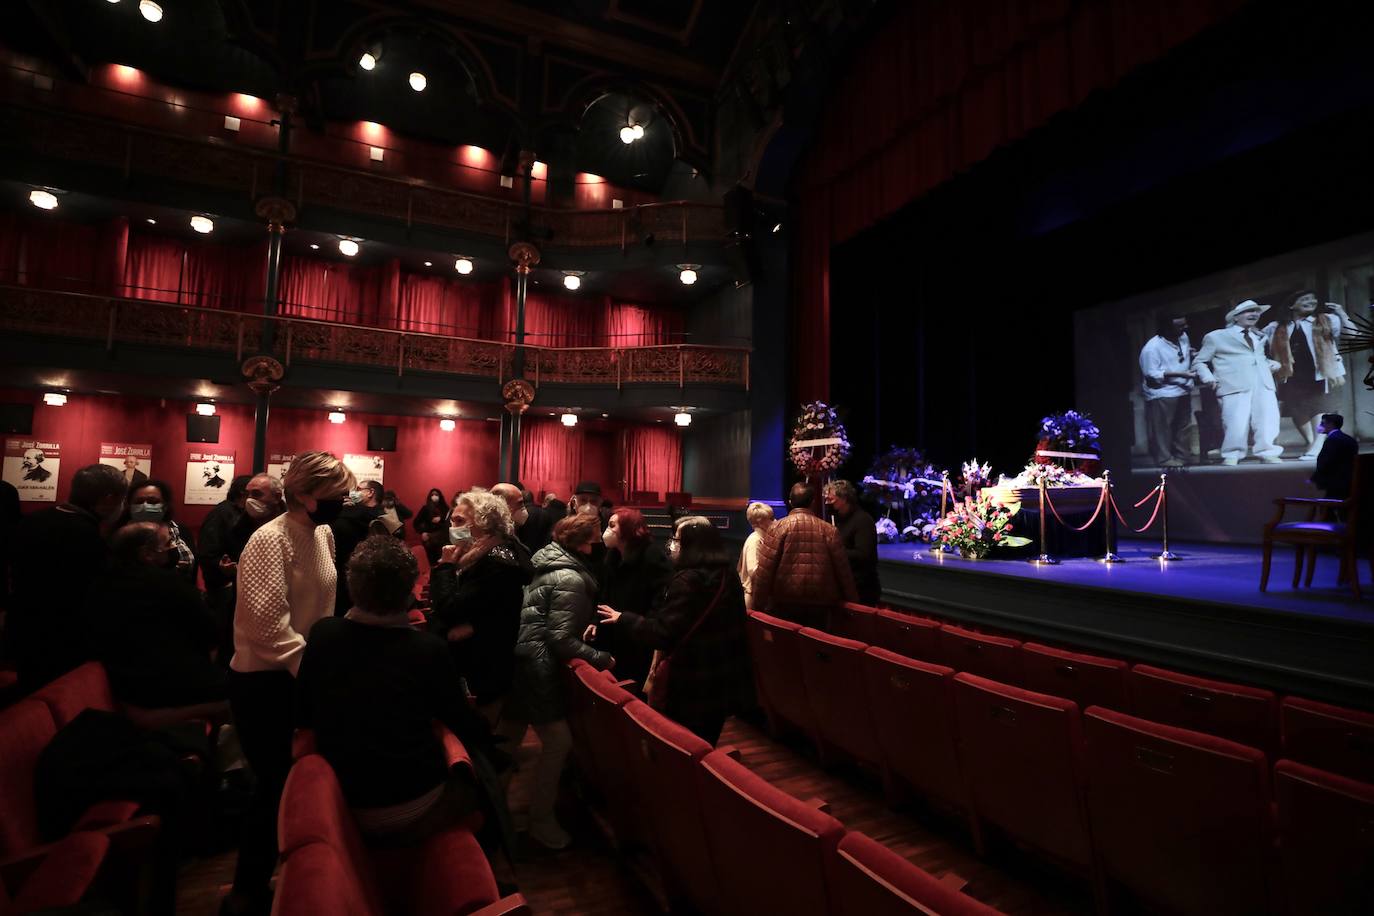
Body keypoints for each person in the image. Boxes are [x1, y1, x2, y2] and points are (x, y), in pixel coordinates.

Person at [296, 535, 505, 848]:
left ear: (351, 585)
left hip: (339, 799)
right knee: (486, 782)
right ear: (411, 593)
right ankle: (497, 872)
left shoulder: (323, 634)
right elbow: (460, 719)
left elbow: (303, 708)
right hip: (412, 803)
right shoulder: (426, 649)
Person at [222, 451, 354, 916]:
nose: (344, 501)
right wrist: (315, 675)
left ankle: (297, 873)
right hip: (263, 681)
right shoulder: (268, 540)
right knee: (273, 784)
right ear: (301, 494)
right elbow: (266, 627)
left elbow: (325, 609)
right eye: (335, 494)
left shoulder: (323, 532)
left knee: (299, 782)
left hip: (301, 675)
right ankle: (247, 891)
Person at [501, 512, 614, 850]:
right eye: (594, 537)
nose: (597, 544)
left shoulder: (546, 562)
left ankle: (493, 814)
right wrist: (601, 658)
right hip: (538, 666)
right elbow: (560, 638)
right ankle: (541, 821)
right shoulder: (571, 578)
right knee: (558, 742)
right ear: (581, 542)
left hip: (522, 659)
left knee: (506, 741)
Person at [598, 517, 752, 745]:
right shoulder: (727, 575)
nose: (672, 544)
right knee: (706, 743)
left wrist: (624, 618)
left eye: (677, 539)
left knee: (682, 743)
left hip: (690, 678)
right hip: (722, 676)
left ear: (693, 544)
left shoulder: (688, 580)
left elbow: (663, 632)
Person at [7, 463, 126, 688]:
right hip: (62, 640)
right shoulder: (87, 537)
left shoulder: (32, 521)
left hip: (23, 629)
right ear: (109, 498)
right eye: (122, 499)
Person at [87, 522, 224, 708]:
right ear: (147, 554)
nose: (174, 548)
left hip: (119, 681)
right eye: (168, 544)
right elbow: (210, 634)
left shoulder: (98, 583)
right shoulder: (168, 584)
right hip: (164, 686)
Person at [428, 489, 532, 724]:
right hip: (477, 660)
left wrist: (444, 568)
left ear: (484, 526)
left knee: (475, 735)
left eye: (460, 521)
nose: (452, 526)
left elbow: (450, 609)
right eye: (452, 519)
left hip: (483, 667)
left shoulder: (495, 562)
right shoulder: (478, 554)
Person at [751, 481, 858, 627]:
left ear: (790, 502)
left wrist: (758, 606)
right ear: (813, 502)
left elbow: (765, 570)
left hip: (784, 603)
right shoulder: (829, 530)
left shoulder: (777, 528)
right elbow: (843, 571)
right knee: (815, 645)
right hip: (821, 606)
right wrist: (853, 604)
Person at [1191, 300, 1283, 466]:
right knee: (1235, 421)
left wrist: (1270, 363)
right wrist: (1208, 377)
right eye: (1249, 311)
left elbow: (1255, 357)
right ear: (1235, 317)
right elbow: (1199, 362)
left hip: (1263, 382)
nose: (1254, 314)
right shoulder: (1216, 336)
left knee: (1268, 419)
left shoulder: (1259, 336)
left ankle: (1267, 452)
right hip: (1233, 384)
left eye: (1256, 312)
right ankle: (1232, 454)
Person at [1267, 292, 1349, 459]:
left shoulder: (1325, 320)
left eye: (1312, 299)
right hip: (1290, 373)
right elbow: (1259, 342)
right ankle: (1312, 443)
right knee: (1297, 409)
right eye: (1304, 299)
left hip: (1319, 371)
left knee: (1319, 408)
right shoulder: (1276, 327)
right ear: (1291, 305)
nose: (1310, 302)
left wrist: (1341, 313)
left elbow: (1351, 331)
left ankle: (1318, 446)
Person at [596, 508, 673, 685]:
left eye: (612, 525)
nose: (606, 530)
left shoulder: (652, 557)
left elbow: (659, 604)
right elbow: (603, 596)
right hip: (617, 636)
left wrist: (627, 620)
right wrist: (595, 622)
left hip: (639, 640)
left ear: (628, 529)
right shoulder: (613, 556)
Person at [1139, 315, 1196, 468]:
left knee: (1183, 426)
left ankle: (1183, 456)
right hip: (1163, 392)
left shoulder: (1183, 337)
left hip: (1183, 389)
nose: (1185, 328)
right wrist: (1181, 374)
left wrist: (1190, 354)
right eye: (1179, 326)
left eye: (1184, 325)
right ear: (1166, 328)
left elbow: (1180, 354)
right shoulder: (1152, 348)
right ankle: (1164, 459)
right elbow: (1151, 373)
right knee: (1163, 428)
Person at [330, 479, 385, 615]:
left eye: (359, 489)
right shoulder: (383, 516)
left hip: (345, 574)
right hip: (370, 579)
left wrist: (345, 509)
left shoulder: (351, 514)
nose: (354, 493)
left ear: (370, 493)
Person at [123, 479, 196, 579]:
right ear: (129, 506)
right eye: (139, 502)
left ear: (165, 506)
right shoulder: (122, 534)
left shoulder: (181, 530)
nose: (145, 505)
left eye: (153, 502)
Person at [824, 481, 880, 605]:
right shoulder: (839, 520)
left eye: (831, 500)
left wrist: (832, 551)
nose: (827, 503)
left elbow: (863, 554)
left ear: (844, 499)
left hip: (861, 588)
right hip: (845, 584)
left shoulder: (863, 521)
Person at [199, 475, 252, 596]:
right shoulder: (221, 513)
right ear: (242, 491)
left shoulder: (247, 513)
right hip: (224, 586)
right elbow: (207, 551)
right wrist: (221, 566)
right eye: (254, 493)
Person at [493, 482, 553, 553]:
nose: (523, 508)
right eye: (520, 503)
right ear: (503, 504)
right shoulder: (493, 542)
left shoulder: (511, 537)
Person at [1311, 413, 1359, 500]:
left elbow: (1327, 461)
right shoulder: (1350, 439)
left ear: (1330, 424)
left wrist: (1315, 477)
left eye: (1322, 423)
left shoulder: (1332, 440)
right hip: (1348, 482)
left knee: (1327, 508)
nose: (1320, 426)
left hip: (1336, 484)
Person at [737, 502, 775, 611]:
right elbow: (753, 571)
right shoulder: (755, 540)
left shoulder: (760, 539)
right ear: (761, 522)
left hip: (755, 595)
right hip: (752, 597)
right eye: (771, 518)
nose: (774, 521)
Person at [413, 487, 450, 566]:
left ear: (440, 496)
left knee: (442, 562)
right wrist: (422, 532)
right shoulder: (425, 508)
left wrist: (441, 519)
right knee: (431, 563)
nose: (434, 496)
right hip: (429, 539)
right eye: (432, 495)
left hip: (442, 539)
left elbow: (449, 523)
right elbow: (416, 523)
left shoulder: (445, 509)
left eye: (436, 494)